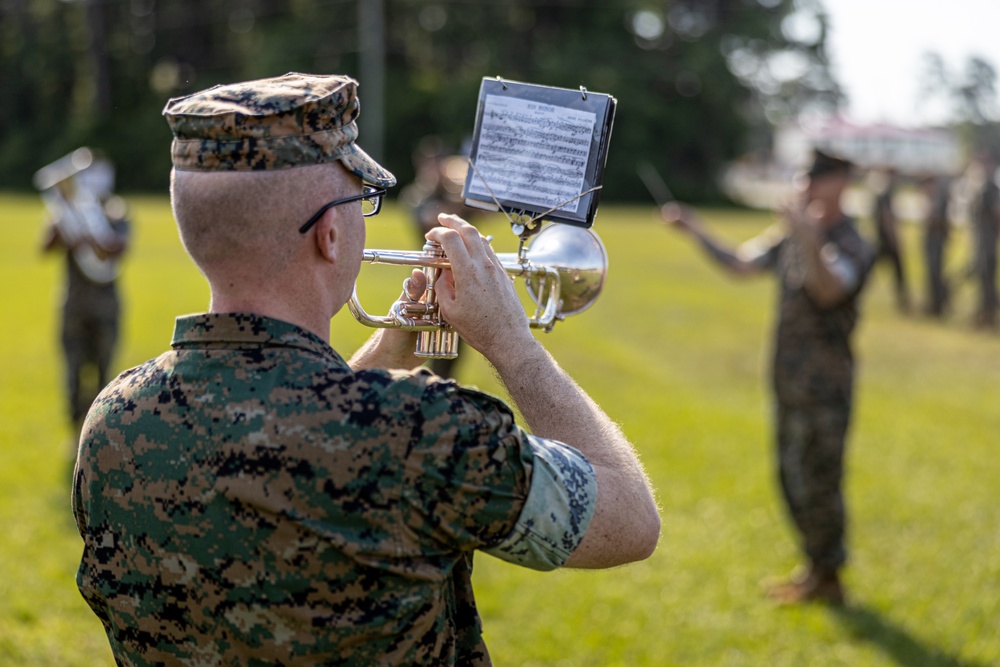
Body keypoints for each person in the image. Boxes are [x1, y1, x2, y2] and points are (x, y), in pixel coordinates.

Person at [72, 73, 660, 666]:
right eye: (363, 202)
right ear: (330, 234)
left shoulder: (114, 419)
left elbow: (282, 427)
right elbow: (630, 520)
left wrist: (392, 340)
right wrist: (513, 344)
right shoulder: (422, 430)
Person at [661, 149, 874, 605]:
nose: (806, 187)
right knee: (792, 476)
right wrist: (693, 227)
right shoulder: (791, 236)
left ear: (840, 183)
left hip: (824, 388)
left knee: (819, 478)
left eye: (816, 179)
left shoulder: (852, 241)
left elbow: (829, 287)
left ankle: (830, 575)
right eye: (804, 178)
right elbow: (742, 264)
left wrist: (807, 233)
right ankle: (816, 570)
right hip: (787, 380)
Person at [40, 155, 129, 436]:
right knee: (73, 373)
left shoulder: (116, 211)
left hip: (106, 305)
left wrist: (92, 235)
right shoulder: (66, 211)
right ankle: (74, 432)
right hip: (73, 305)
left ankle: (100, 433)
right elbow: (45, 247)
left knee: (105, 372)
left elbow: (118, 250)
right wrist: (65, 221)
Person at [399, 136, 484, 379]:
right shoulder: (416, 195)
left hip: (459, 284)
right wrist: (453, 199)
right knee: (418, 352)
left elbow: (485, 217)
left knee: (454, 353)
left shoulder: (456, 194)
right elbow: (429, 219)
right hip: (425, 284)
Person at [871, 168, 910, 312]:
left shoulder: (880, 192)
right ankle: (903, 300)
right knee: (899, 271)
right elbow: (887, 218)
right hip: (886, 240)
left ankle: (903, 300)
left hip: (881, 239)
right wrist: (895, 239)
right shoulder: (885, 194)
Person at [969, 154, 1000, 329]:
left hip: (987, 244)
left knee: (987, 277)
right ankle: (984, 313)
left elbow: (997, 213)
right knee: (982, 277)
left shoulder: (990, 187)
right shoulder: (981, 186)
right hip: (981, 242)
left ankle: (989, 315)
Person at [919, 174, 952, 317]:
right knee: (931, 273)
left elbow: (935, 220)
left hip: (936, 240)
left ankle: (937, 305)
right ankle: (934, 304)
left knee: (935, 273)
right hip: (932, 240)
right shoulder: (935, 198)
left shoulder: (938, 198)